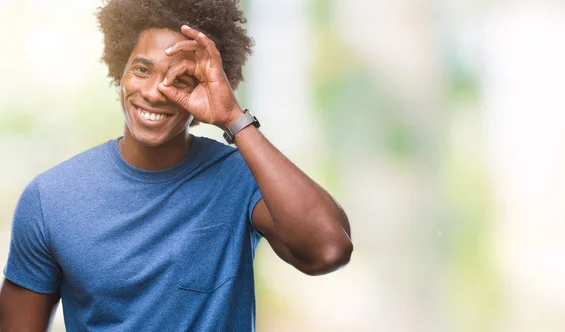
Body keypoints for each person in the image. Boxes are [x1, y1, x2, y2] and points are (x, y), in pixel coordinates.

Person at [0, 0, 353, 330]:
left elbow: (328, 250)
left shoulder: (241, 178)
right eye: (142, 69)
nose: (155, 92)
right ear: (120, 72)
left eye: (180, 80)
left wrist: (232, 117)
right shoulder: (50, 199)